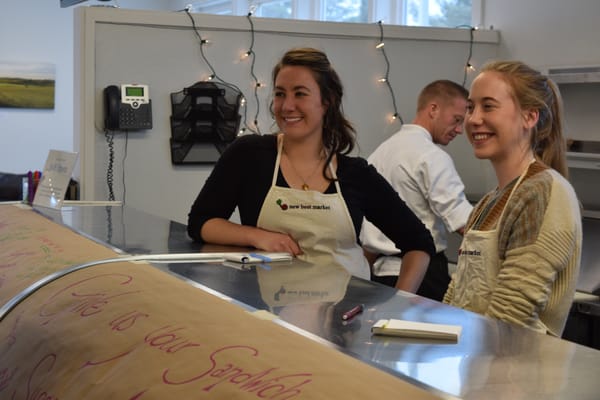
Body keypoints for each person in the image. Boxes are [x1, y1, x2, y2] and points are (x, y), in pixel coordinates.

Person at [187, 47, 435, 289]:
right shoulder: (249, 155)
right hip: (268, 312)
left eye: (300, 93)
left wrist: (396, 307)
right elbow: (201, 223)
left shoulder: (355, 173)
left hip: (344, 318)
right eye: (280, 94)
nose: (287, 106)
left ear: (326, 102)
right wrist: (257, 236)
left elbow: (419, 243)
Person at [443, 60, 582, 337]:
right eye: (470, 107)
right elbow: (458, 294)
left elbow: (510, 317)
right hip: (472, 364)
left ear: (530, 117)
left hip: (513, 373)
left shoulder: (542, 192)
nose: (473, 119)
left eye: (488, 106)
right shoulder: (488, 202)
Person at [360, 80, 472, 301]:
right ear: (433, 109)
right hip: (424, 278)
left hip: (379, 277)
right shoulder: (432, 157)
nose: (459, 130)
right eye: (457, 120)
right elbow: (464, 222)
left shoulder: (379, 154)